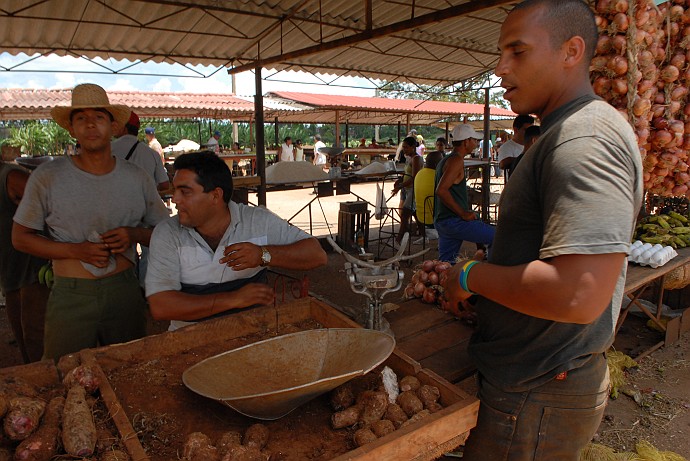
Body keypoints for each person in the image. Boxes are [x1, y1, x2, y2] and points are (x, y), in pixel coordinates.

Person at [441, 1, 643, 459]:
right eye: (500, 53)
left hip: (538, 388)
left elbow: (577, 294)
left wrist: (470, 276)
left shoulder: (582, 140)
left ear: (571, 51)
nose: (500, 68)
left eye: (517, 51)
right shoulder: (568, 131)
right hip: (536, 377)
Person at [12, 83, 170, 360]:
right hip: (71, 294)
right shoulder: (48, 177)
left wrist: (133, 234)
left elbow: (166, 231)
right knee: (65, 375)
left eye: (98, 117)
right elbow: (21, 237)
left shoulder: (136, 177)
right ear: (71, 129)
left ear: (113, 126)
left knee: (131, 369)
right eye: (81, 118)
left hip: (123, 289)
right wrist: (76, 250)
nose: (90, 125)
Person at [145, 151, 328, 330]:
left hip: (252, 330)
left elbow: (317, 255)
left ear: (215, 195)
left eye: (185, 192)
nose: (175, 199)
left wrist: (263, 255)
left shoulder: (257, 221)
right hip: (189, 337)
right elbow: (161, 306)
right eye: (175, 190)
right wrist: (233, 299)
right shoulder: (167, 233)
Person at [0, 161, 50, 363]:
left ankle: (50, 385)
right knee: (23, 338)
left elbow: (49, 205)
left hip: (31, 271)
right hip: (10, 273)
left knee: (35, 337)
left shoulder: (10, 176)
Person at [433, 124, 495, 263]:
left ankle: (445, 283)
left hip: (443, 220)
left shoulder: (445, 159)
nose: (476, 143)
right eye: (474, 140)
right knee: (497, 237)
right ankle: (493, 275)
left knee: (446, 264)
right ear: (466, 141)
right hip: (453, 221)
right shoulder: (456, 160)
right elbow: (441, 190)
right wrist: (463, 213)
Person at [112, 111, 170, 192]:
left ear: (123, 127)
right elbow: (164, 184)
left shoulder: (108, 150)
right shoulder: (152, 153)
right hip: (144, 202)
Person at [391, 136, 424, 245]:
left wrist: (400, 186)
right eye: (403, 147)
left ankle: (398, 240)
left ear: (413, 147)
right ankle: (424, 236)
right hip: (407, 188)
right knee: (414, 213)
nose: (404, 150)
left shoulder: (416, 159)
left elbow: (414, 177)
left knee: (405, 214)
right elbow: (407, 174)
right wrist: (400, 181)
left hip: (414, 189)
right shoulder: (408, 158)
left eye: (406, 147)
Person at [412, 150, 444, 245]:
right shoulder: (438, 176)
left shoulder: (419, 174)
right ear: (436, 164)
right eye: (441, 161)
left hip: (421, 217)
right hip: (435, 218)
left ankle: (424, 236)